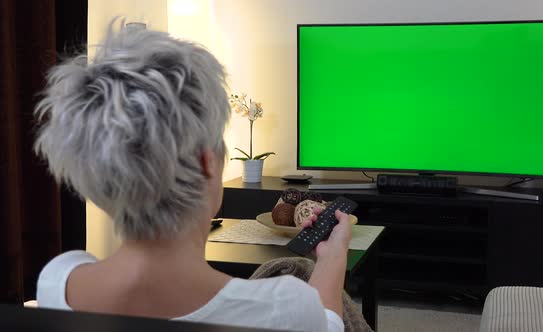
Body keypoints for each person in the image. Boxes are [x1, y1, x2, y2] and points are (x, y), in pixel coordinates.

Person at [34, 22, 352, 332]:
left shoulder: (57, 282)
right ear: (206, 163)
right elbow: (329, 325)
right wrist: (333, 256)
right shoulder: (284, 307)